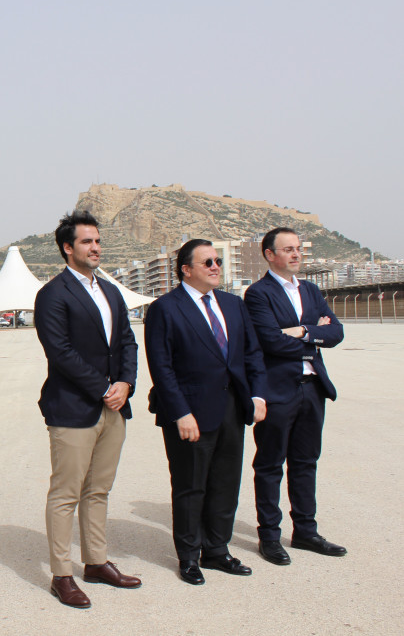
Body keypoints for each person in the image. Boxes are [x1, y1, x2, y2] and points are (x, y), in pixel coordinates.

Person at [144, 239, 267, 585]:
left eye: (218, 261)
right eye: (207, 262)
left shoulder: (232, 304)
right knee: (190, 485)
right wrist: (181, 412)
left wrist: (257, 395)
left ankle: (217, 550)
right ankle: (188, 557)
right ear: (186, 269)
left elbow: (252, 353)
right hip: (189, 414)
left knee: (225, 483)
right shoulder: (165, 309)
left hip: (231, 409)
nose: (216, 267)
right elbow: (162, 367)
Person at [34, 210, 140, 609]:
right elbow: (60, 352)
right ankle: (62, 575)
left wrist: (126, 385)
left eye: (97, 241)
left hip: (114, 408)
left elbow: (127, 341)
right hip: (74, 409)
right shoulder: (53, 294)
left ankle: (96, 562)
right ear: (67, 248)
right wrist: (103, 389)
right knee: (66, 493)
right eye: (86, 241)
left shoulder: (110, 290)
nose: (95, 247)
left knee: (99, 490)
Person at [244, 227, 346, 565]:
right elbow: (271, 341)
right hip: (278, 390)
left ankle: (305, 531)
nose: (296, 254)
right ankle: (270, 536)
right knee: (270, 464)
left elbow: (337, 332)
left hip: (313, 387)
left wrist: (303, 330)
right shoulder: (258, 294)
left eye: (298, 248)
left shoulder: (312, 290)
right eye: (288, 249)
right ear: (269, 255)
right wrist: (316, 333)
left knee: (305, 462)